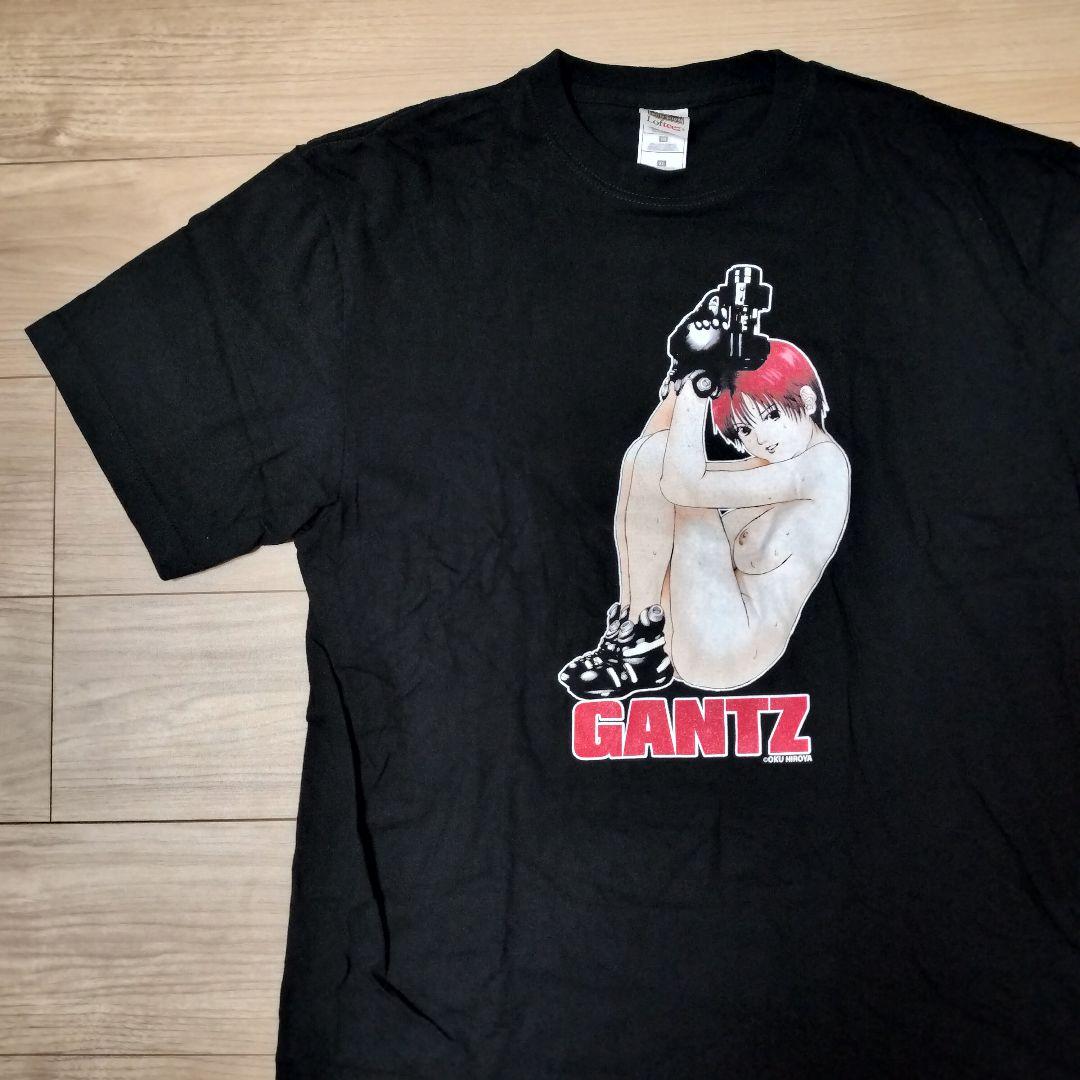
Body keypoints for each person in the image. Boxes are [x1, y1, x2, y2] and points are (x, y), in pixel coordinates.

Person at [558, 280, 851, 699]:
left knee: (668, 468)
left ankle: (640, 644)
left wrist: (700, 386)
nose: (761, 437)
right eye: (744, 429)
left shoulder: (822, 465)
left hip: (731, 648)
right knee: (651, 455)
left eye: (770, 415)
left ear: (805, 399)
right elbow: (647, 465)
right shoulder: (772, 463)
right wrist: (684, 366)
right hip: (689, 627)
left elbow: (683, 484)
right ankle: (637, 638)